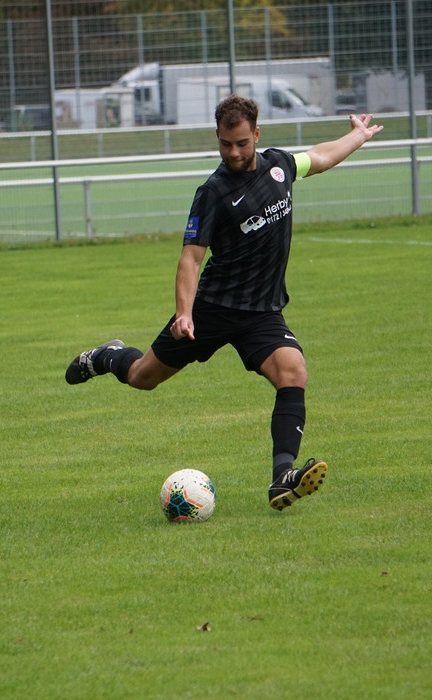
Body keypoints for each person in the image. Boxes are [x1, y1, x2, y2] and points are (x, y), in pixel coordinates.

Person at [65, 95, 383, 511]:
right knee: (143, 377)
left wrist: (357, 136)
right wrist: (184, 313)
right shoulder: (212, 193)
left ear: (257, 135)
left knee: (293, 371)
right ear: (217, 136)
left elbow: (320, 158)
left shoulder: (279, 166)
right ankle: (106, 357)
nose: (233, 152)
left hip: (262, 312)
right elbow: (190, 259)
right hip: (212, 309)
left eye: (242, 143)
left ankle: (282, 477)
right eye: (225, 144)